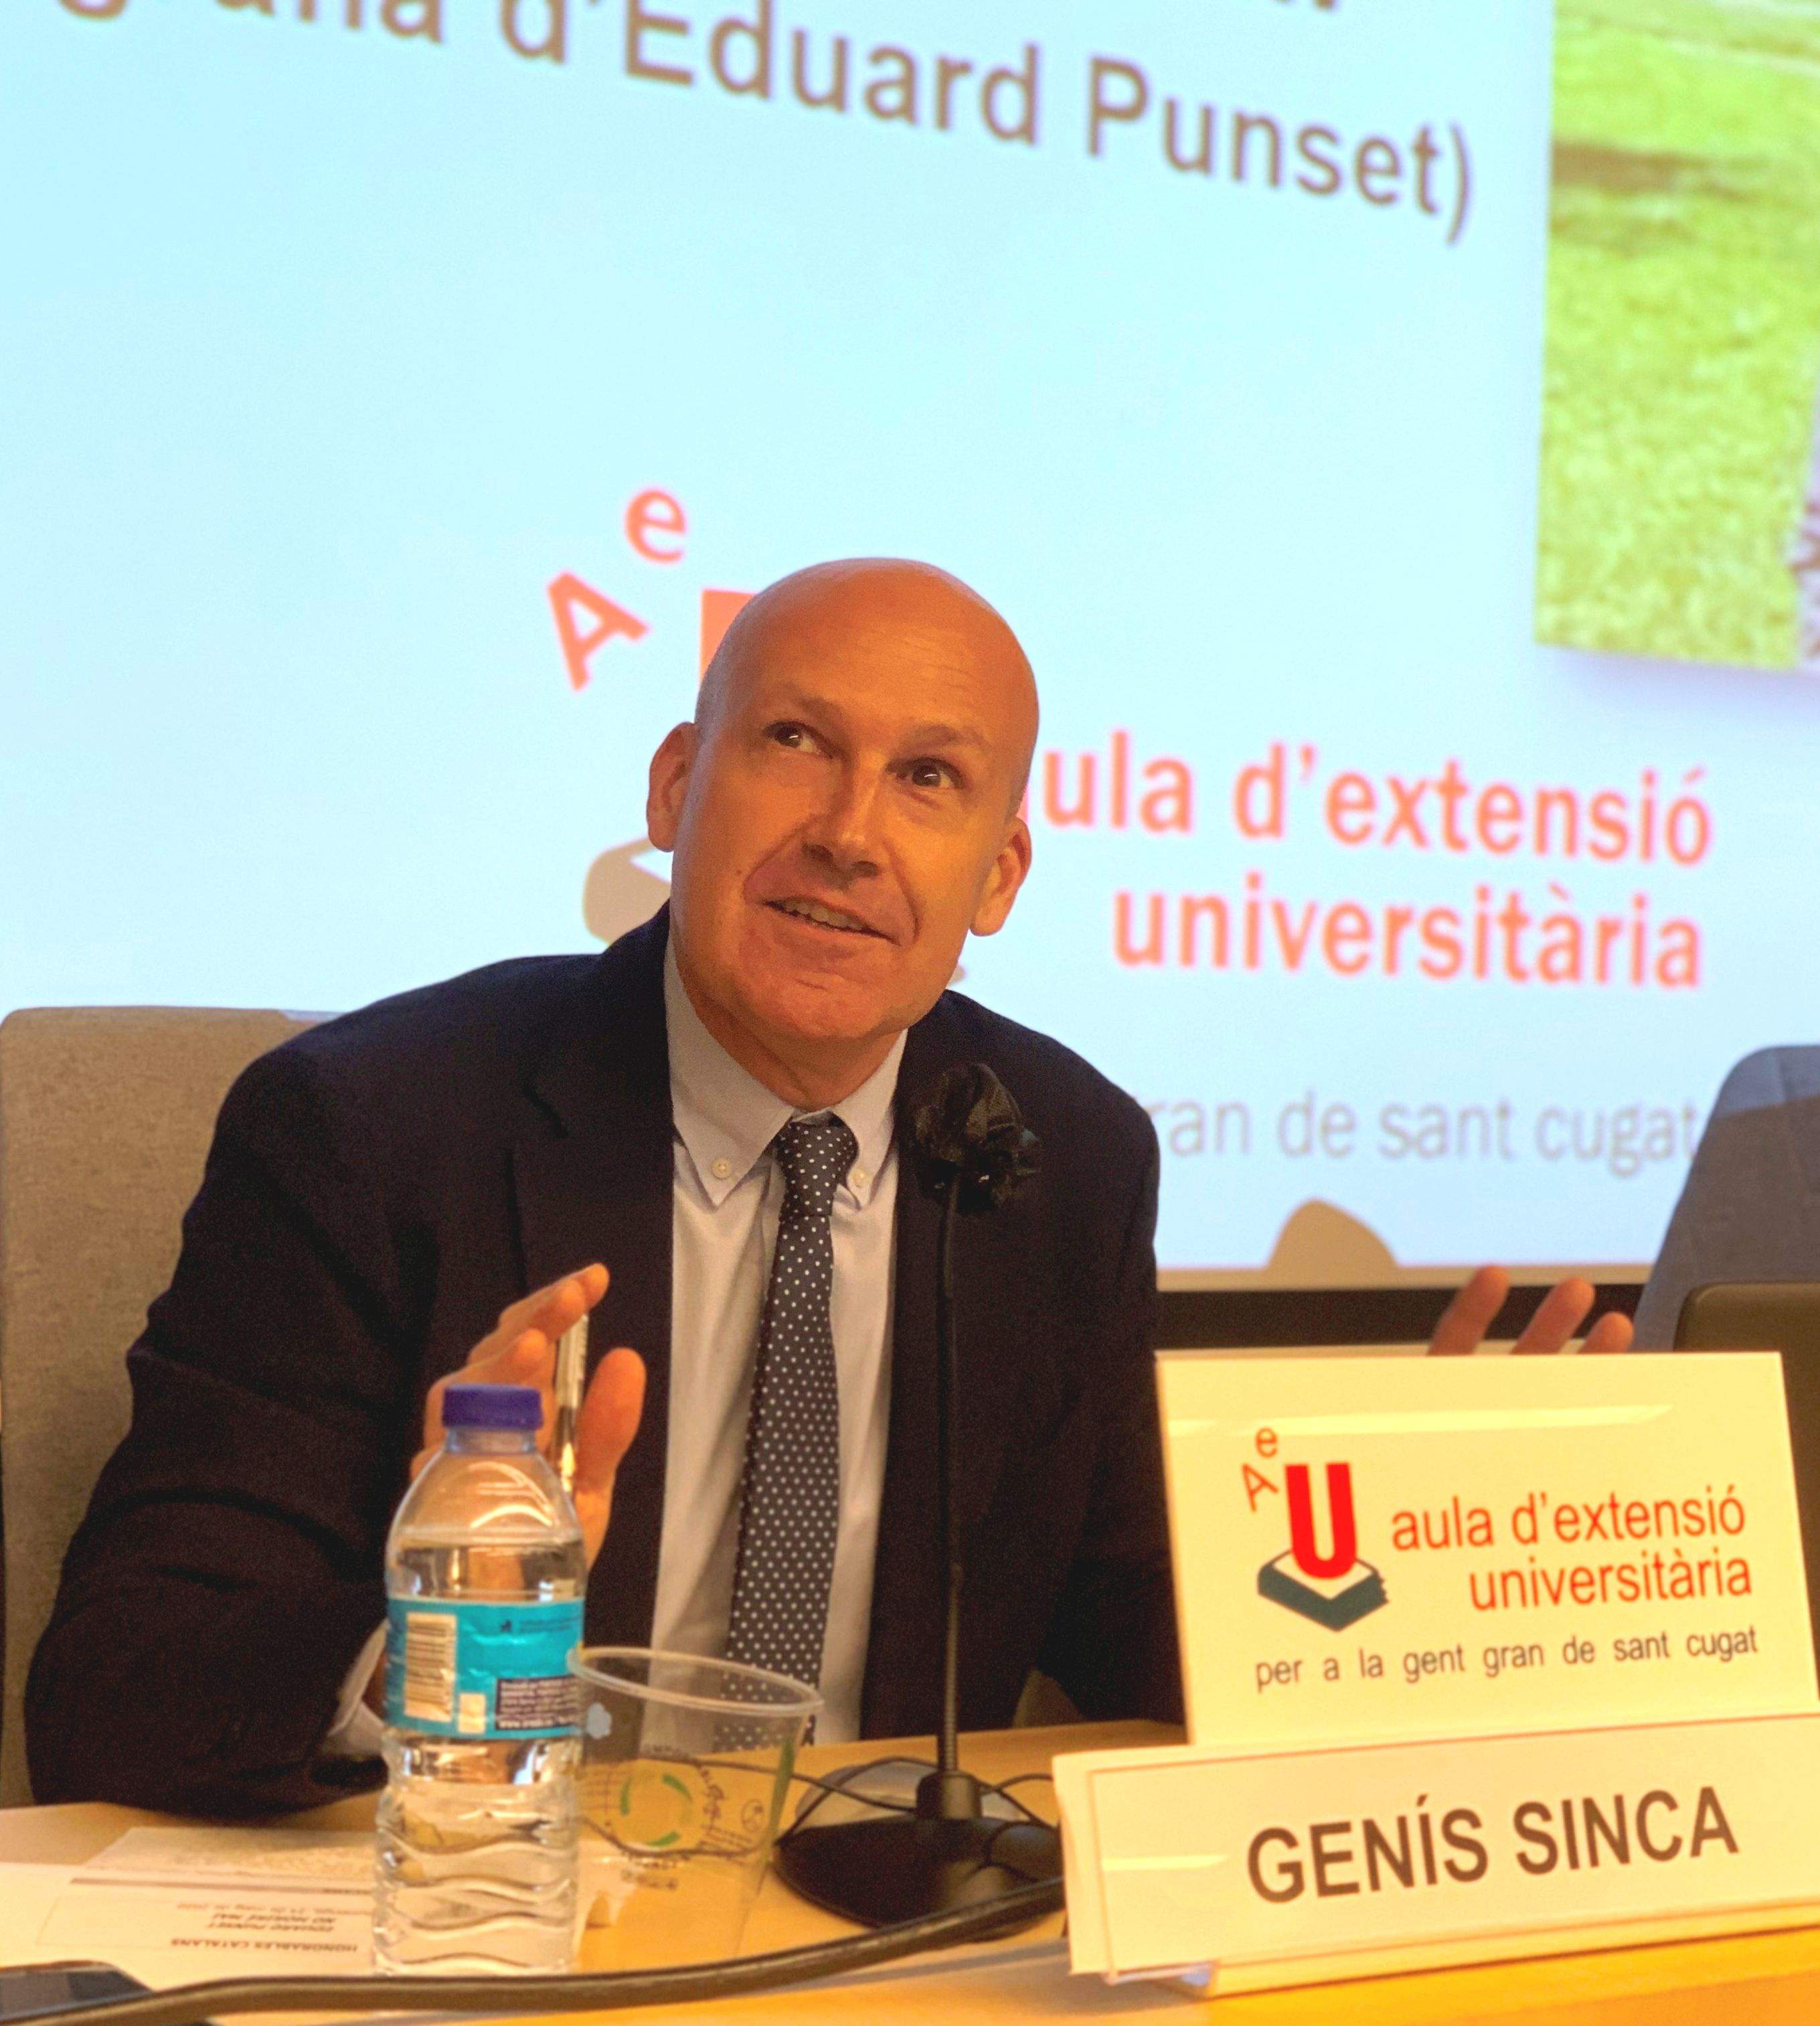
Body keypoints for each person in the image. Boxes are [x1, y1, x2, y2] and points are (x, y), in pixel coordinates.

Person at [27, 560, 1630, 1816]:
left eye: (931, 781)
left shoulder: (1062, 1152)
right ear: (673, 788)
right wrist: (453, 1612)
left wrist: (1409, 1551)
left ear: (996, 878)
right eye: (796, 742)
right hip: (494, 1916)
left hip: (882, 1942)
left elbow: (1123, 1616)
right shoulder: (376, 1128)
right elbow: (113, 1690)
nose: (851, 835)